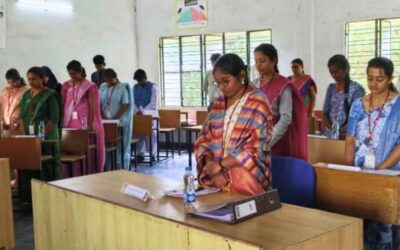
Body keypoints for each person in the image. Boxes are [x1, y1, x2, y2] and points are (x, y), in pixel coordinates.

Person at [194, 53, 273, 195]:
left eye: (226, 81)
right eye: (217, 83)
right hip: (216, 179)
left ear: (241, 75)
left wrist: (220, 165)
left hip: (246, 177)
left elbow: (256, 149)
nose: (221, 87)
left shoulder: (258, 102)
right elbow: (204, 140)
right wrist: (212, 169)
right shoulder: (218, 104)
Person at [345, 57, 400, 249]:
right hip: (360, 173)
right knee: (360, 221)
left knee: (385, 224)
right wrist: (348, 169)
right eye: (370, 78)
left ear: (390, 78)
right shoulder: (358, 105)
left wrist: (379, 170)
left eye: (380, 79)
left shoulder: (398, 105)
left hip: (388, 174)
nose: (374, 84)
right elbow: (350, 139)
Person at [253, 43, 307, 160]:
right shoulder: (254, 84)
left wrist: (267, 143)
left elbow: (285, 118)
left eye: (262, 61)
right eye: (256, 61)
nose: (258, 65)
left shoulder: (283, 85)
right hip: (253, 141)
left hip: (275, 143)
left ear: (273, 60)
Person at [17, 67, 61, 203]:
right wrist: (26, 138)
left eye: (34, 79)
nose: (31, 81)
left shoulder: (50, 95)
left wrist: (40, 136)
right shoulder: (26, 95)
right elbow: (22, 117)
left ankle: (48, 198)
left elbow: (54, 119)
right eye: (29, 79)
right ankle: (29, 197)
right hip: (29, 139)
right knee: (28, 165)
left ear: (43, 79)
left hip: (47, 139)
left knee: (46, 168)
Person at [62, 60, 105, 175]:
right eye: (70, 73)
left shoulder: (89, 86)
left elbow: (93, 106)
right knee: (71, 148)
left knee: (84, 149)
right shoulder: (66, 85)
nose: (73, 76)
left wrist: (91, 124)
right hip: (69, 122)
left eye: (75, 73)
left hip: (84, 122)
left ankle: (86, 172)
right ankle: (70, 174)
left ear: (80, 71)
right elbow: (63, 103)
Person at [323, 54, 365, 139]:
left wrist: (345, 134)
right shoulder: (331, 88)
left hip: (349, 135)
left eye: (336, 71)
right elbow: (325, 113)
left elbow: (357, 116)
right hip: (330, 134)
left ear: (345, 70)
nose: (334, 75)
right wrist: (334, 130)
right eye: (331, 72)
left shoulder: (357, 89)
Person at [99, 69, 133, 170]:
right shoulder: (103, 87)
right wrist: (102, 116)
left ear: (115, 77)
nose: (108, 82)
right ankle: (108, 167)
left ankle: (121, 167)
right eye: (106, 80)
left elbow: (125, 105)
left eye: (110, 80)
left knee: (119, 146)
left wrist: (115, 118)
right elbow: (99, 103)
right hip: (105, 121)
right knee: (108, 145)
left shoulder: (122, 88)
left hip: (119, 121)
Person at [133, 69, 158, 162]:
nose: (139, 82)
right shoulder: (135, 87)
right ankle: (140, 154)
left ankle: (153, 154)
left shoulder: (153, 87)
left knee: (152, 134)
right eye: (137, 81)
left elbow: (153, 102)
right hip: (138, 114)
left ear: (145, 78)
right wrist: (138, 111)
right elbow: (133, 101)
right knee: (139, 134)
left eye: (140, 80)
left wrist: (143, 111)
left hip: (150, 113)